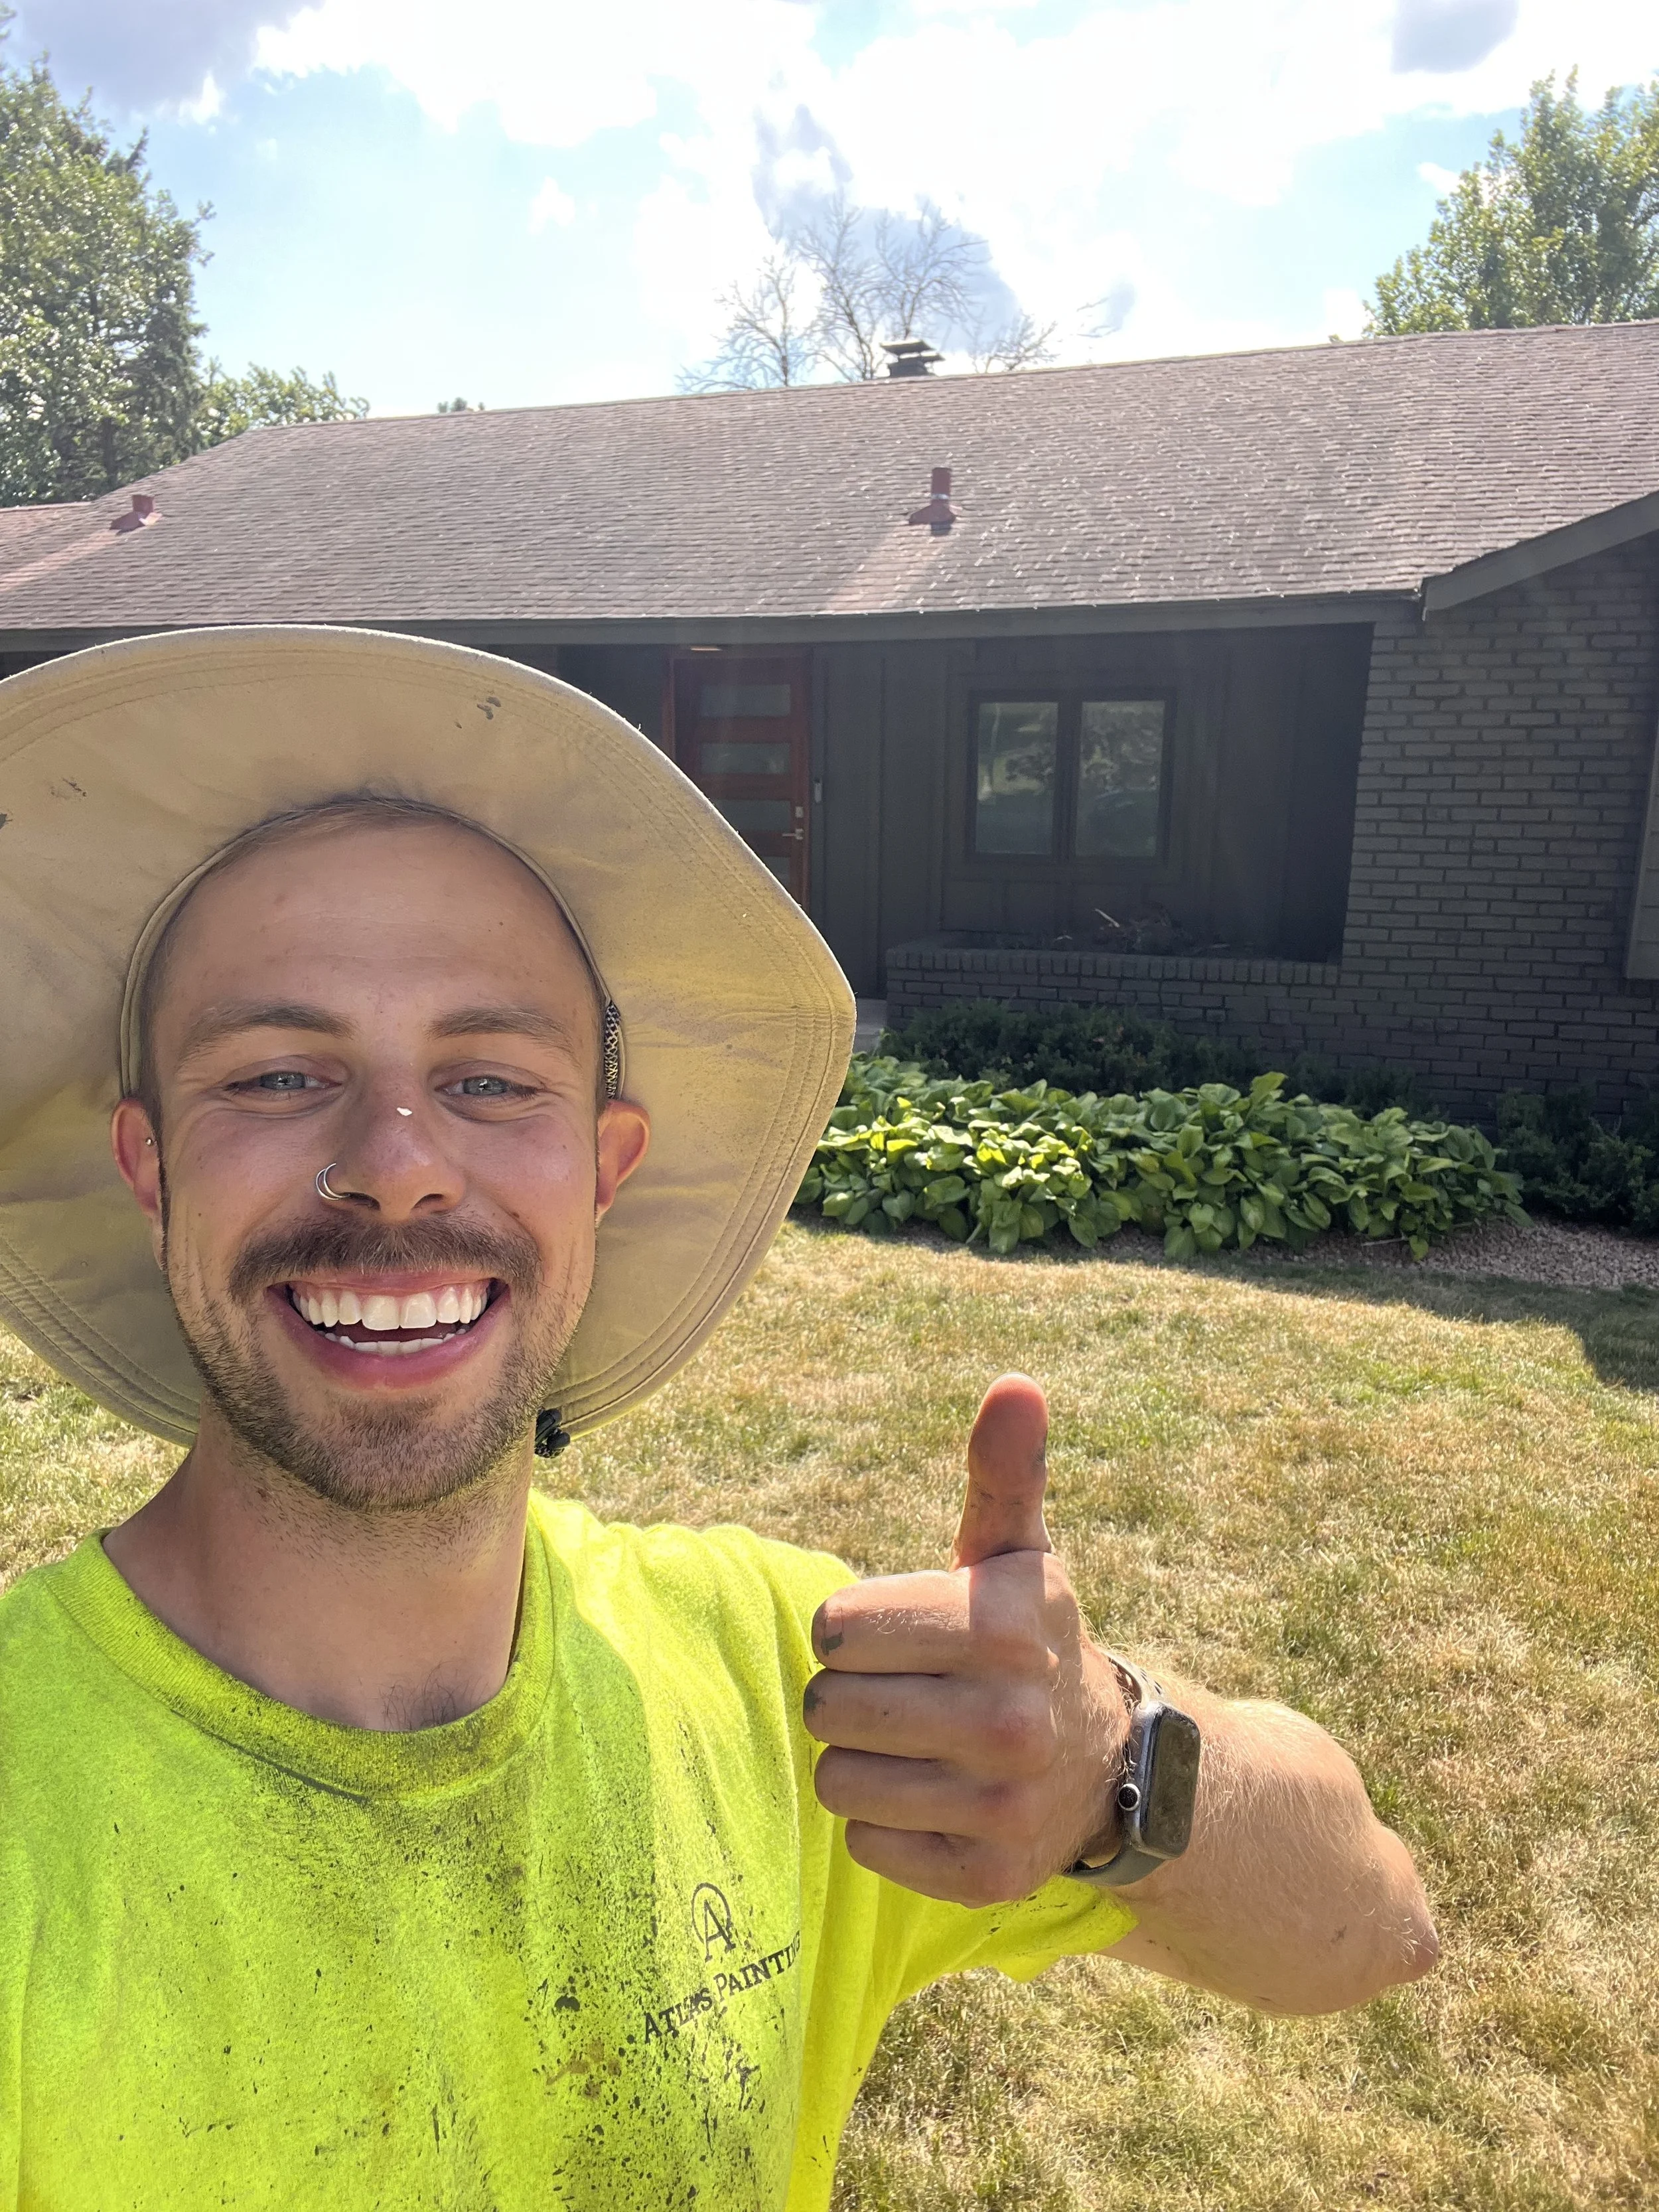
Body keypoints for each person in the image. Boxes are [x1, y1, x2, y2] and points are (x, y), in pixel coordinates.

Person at [0, 628, 1436, 2209]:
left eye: (490, 1081)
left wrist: (1107, 1760)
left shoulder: (788, 1685)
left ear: (604, 1173)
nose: (395, 1162)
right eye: (277, 1075)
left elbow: (1368, 1933)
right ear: (149, 1172)